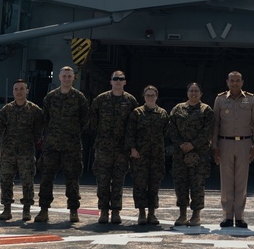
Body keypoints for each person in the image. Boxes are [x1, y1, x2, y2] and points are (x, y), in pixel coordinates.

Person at [37, 66, 89, 223]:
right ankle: (43, 210)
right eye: (64, 76)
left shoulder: (79, 98)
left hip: (71, 146)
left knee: (72, 179)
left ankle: (73, 210)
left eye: (69, 76)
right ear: (59, 77)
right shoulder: (51, 97)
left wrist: (73, 132)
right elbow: (44, 118)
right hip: (51, 145)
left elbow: (85, 120)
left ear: (73, 78)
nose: (66, 79)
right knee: (46, 178)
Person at [212, 71, 254, 228]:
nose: (235, 83)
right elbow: (216, 124)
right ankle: (227, 216)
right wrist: (214, 146)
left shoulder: (251, 99)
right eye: (232, 80)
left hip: (244, 143)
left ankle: (239, 217)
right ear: (227, 82)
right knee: (226, 181)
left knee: (241, 181)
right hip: (225, 143)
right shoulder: (220, 99)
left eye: (237, 80)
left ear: (242, 82)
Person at [90, 71, 139, 224]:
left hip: (122, 149)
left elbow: (134, 125)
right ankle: (103, 211)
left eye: (121, 79)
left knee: (118, 181)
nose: (118, 81)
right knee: (103, 181)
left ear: (125, 82)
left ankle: (116, 211)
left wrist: (131, 146)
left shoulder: (131, 101)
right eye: (115, 79)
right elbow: (93, 120)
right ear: (110, 81)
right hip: (104, 147)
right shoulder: (101, 99)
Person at [0, 79, 43, 222]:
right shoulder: (6, 110)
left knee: (27, 181)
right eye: (16, 89)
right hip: (8, 152)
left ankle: (26, 210)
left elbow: (38, 131)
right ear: (13, 92)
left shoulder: (35, 110)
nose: (19, 92)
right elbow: (2, 130)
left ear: (27, 91)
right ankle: (7, 209)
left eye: (21, 89)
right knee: (6, 180)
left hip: (26, 152)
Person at [168, 83, 214, 227]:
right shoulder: (178, 109)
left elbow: (208, 131)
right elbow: (171, 128)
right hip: (180, 153)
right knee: (180, 184)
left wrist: (193, 144)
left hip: (199, 155)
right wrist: (181, 144)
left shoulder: (207, 110)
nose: (194, 93)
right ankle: (182, 215)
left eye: (196, 91)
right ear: (187, 93)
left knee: (197, 185)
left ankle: (196, 215)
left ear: (201, 94)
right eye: (191, 91)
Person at [126, 85, 170, 225]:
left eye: (152, 95)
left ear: (157, 96)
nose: (150, 97)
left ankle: (152, 213)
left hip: (156, 155)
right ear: (144, 97)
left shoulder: (163, 114)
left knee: (154, 185)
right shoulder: (137, 113)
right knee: (139, 184)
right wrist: (132, 149)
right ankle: (141, 213)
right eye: (147, 95)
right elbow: (130, 132)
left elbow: (166, 133)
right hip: (140, 155)